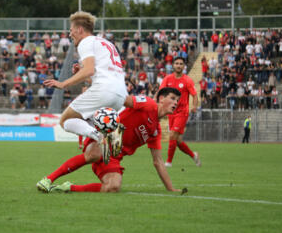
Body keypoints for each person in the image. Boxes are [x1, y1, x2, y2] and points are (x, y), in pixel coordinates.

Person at [36, 88, 183, 193]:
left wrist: (171, 189)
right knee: (94, 154)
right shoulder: (148, 104)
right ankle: (48, 179)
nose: (175, 102)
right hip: (103, 137)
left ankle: (68, 187)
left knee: (113, 187)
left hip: (113, 157)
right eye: (172, 98)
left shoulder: (155, 131)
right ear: (161, 98)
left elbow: (158, 161)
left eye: (177, 100)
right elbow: (122, 99)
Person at [44, 11, 127, 162]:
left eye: (71, 30)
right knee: (87, 123)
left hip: (104, 91)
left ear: (80, 30)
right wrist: (82, 73)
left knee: (65, 121)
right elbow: (99, 72)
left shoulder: (86, 42)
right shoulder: (107, 43)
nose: (70, 34)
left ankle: (102, 135)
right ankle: (109, 134)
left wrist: (63, 83)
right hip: (120, 95)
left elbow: (89, 69)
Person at [158, 56, 200, 168]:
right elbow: (161, 93)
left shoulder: (187, 80)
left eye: (181, 64)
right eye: (177, 63)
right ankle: (193, 155)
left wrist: (194, 106)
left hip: (182, 112)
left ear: (184, 66)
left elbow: (195, 95)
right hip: (171, 113)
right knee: (177, 140)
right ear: (173, 65)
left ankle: (168, 162)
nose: (179, 65)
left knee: (172, 135)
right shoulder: (167, 79)